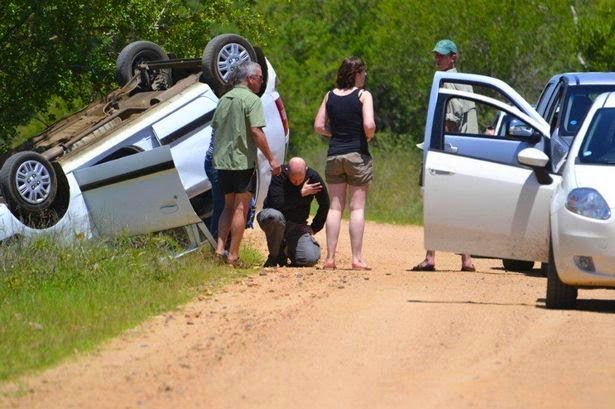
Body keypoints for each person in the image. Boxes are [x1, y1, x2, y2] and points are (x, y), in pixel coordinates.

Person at [412, 39, 476, 272]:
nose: (437, 58)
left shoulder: (449, 81)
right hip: (464, 150)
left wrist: (437, 152)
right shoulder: (464, 82)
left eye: (442, 55)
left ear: (453, 57)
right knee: (463, 205)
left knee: (435, 202)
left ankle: (433, 257)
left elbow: (450, 120)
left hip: (449, 150)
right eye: (436, 55)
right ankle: (466, 259)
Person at [212, 61, 281, 266]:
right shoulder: (252, 100)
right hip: (242, 162)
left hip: (222, 161)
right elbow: (256, 131)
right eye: (260, 78)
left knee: (227, 206)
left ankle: (219, 250)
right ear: (250, 78)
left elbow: (215, 126)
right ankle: (233, 255)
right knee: (241, 208)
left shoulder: (224, 99)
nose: (261, 82)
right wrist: (272, 158)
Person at [314, 56, 376, 270]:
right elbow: (369, 124)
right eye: (363, 72)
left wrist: (335, 134)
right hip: (357, 154)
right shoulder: (363, 95)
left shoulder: (329, 95)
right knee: (356, 208)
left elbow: (319, 126)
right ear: (357, 74)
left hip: (334, 155)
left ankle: (330, 258)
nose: (365, 76)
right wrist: (368, 135)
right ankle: (356, 259)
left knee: (335, 207)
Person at [257, 157, 330, 267]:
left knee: (309, 259)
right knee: (275, 217)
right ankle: (274, 256)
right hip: (274, 218)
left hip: (296, 225)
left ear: (306, 171)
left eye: (300, 180)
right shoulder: (279, 175)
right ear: (287, 171)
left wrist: (314, 228)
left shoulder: (313, 178)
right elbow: (277, 205)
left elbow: (325, 204)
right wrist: (300, 194)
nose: (297, 182)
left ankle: (287, 249)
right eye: (293, 179)